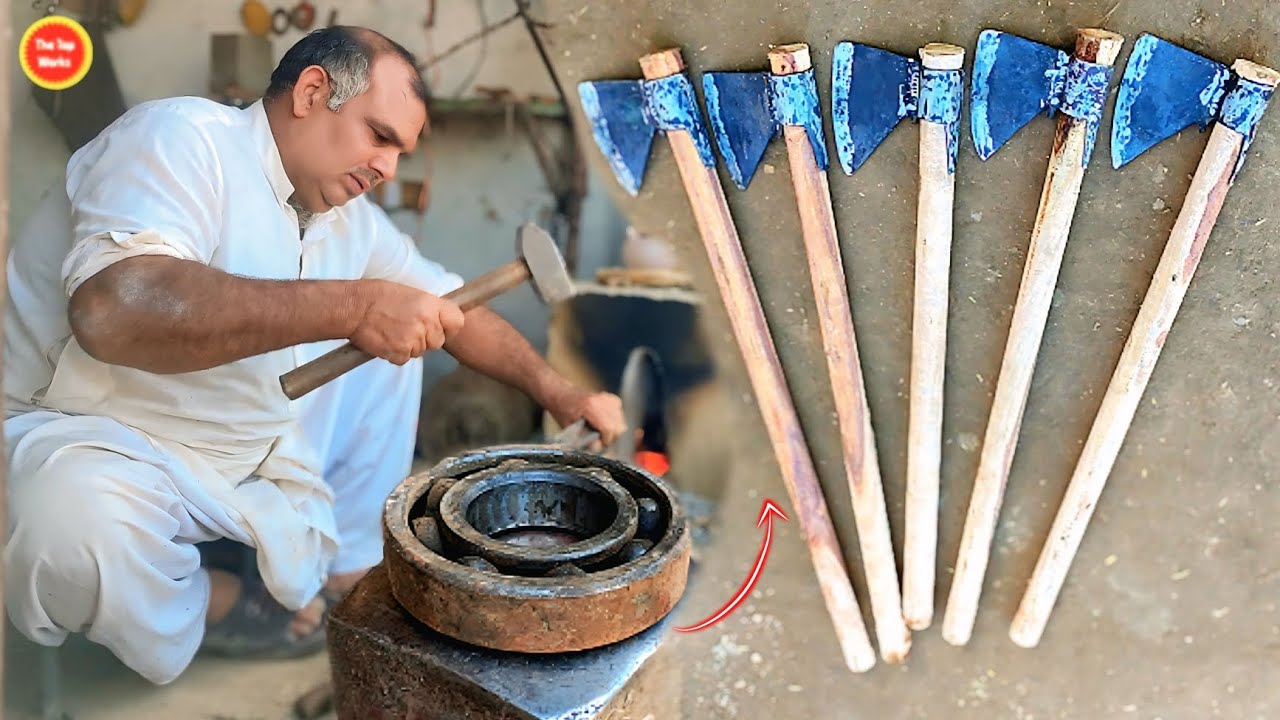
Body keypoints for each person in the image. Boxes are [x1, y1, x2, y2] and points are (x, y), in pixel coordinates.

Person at [3, 26, 626, 685]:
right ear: (311, 92)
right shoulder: (179, 138)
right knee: (70, 524)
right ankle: (224, 601)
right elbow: (111, 309)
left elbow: (454, 309)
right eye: (380, 136)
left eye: (401, 151)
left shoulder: (342, 221)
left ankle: (343, 571)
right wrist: (354, 306)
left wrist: (562, 394)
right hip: (86, 437)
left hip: (235, 446)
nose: (389, 166)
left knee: (403, 333)